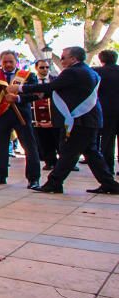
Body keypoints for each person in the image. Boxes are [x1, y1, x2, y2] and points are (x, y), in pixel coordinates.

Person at [11, 46, 119, 194]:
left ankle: (54, 183)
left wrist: (20, 89)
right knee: (91, 153)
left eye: (63, 57)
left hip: (80, 120)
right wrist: (18, 98)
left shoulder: (73, 72)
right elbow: (53, 92)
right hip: (88, 119)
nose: (60, 60)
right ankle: (109, 184)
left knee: (68, 152)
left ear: (73, 59)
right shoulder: (87, 71)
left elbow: (50, 87)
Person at [0, 50, 41, 188]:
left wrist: (18, 98)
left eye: (11, 61)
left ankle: (33, 178)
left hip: (21, 114)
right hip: (1, 114)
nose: (8, 64)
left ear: (16, 62)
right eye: (5, 62)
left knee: (29, 146)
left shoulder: (28, 76)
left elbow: (36, 94)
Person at [94, 49, 119, 175]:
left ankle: (108, 168)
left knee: (107, 141)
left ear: (101, 59)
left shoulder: (97, 72)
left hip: (106, 110)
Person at [31, 59, 59, 170]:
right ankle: (49, 162)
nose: (45, 69)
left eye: (47, 67)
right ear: (36, 68)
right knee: (44, 141)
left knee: (58, 140)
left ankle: (65, 163)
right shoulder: (32, 81)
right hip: (37, 116)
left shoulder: (55, 80)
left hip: (53, 115)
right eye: (42, 67)